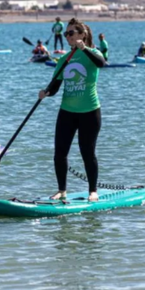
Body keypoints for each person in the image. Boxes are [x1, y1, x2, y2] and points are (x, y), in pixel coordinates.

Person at [38, 18, 107, 202]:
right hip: (67, 112)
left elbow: (102, 63)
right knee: (60, 153)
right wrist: (46, 92)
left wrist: (84, 48)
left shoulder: (92, 53)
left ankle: (93, 191)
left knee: (87, 152)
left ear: (81, 35)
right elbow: (56, 87)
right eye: (66, 33)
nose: (67, 36)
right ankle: (62, 190)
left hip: (90, 112)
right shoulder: (63, 60)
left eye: (71, 33)